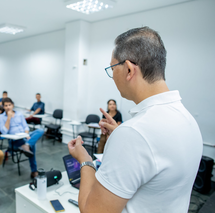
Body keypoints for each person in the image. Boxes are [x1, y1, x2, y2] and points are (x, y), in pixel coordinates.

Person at [67, 27, 203, 213]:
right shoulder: (185, 118)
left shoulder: (134, 133)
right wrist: (120, 135)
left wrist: (85, 160)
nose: (112, 76)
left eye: (112, 68)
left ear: (129, 69)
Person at [0, 98, 44, 179]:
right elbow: (4, 132)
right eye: (6, 105)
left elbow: (25, 126)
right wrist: (8, 118)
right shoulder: (1, 117)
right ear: (3, 107)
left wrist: (26, 134)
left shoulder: (19, 114)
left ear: (12, 105)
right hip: (14, 139)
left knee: (40, 130)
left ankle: (27, 145)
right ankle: (34, 171)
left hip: (24, 136)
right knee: (32, 146)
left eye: (9, 105)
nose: (8, 107)